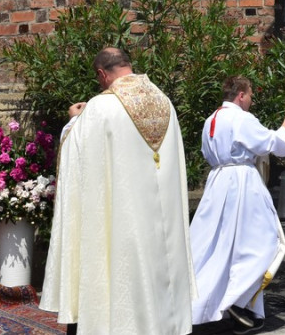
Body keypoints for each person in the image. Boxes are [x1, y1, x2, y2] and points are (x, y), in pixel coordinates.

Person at [40, 47, 194, 335]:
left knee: (120, 273)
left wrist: (74, 120)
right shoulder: (164, 101)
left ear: (102, 74)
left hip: (124, 221)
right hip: (159, 223)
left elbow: (77, 151)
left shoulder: (101, 107)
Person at [190, 76, 285, 335]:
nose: (251, 100)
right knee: (263, 243)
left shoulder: (211, 120)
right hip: (241, 184)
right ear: (240, 94)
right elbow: (273, 144)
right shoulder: (241, 118)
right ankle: (237, 302)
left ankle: (245, 309)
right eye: (250, 94)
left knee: (219, 247)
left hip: (217, 183)